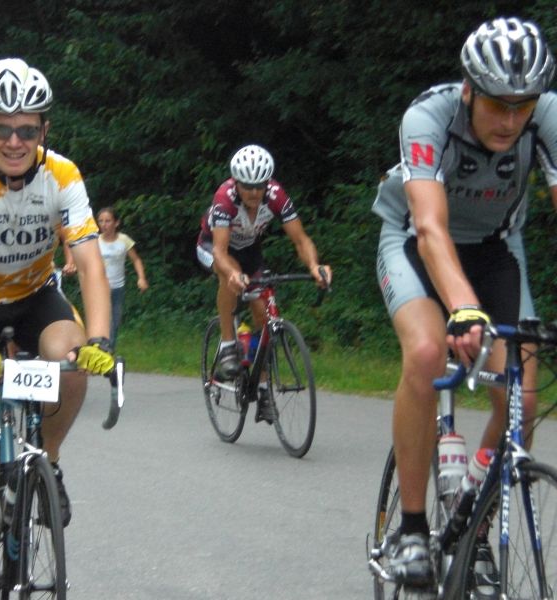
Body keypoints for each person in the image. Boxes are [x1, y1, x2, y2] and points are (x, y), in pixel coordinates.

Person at [372, 17, 557, 588]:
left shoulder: (546, 117)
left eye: (522, 106)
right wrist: (464, 307)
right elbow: (429, 227)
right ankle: (409, 528)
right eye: (498, 104)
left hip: (497, 247)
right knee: (428, 354)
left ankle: (472, 521)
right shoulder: (428, 117)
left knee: (521, 397)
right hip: (415, 240)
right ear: (470, 90)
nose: (510, 121)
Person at [0, 57, 113, 600]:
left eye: (27, 129)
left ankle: (47, 461)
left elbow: (91, 262)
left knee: (73, 357)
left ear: (44, 130)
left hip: (33, 297)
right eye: (2, 128)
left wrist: (100, 337)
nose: (14, 140)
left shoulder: (63, 175)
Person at [196, 144, 331, 423]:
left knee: (264, 314)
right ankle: (227, 344)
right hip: (214, 246)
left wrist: (314, 266)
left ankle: (262, 388)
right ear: (237, 183)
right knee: (229, 276)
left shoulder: (276, 197)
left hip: (249, 251)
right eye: (248, 187)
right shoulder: (225, 199)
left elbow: (301, 240)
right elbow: (220, 253)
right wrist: (234, 274)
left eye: (260, 186)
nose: (254, 193)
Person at [96, 206, 149, 349]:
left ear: (116, 223)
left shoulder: (124, 240)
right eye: (101, 221)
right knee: (107, 319)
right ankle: (105, 349)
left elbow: (136, 260)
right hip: (100, 286)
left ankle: (107, 348)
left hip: (118, 286)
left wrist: (141, 278)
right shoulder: (95, 241)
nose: (104, 225)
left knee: (116, 320)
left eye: (108, 221)